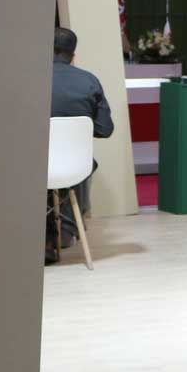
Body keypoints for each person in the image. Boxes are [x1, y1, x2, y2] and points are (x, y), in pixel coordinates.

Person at [47, 27, 115, 265]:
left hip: (36, 169)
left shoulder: (29, 78)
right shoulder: (89, 81)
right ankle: (68, 228)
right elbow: (105, 129)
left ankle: (45, 236)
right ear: (73, 55)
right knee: (82, 161)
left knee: (39, 163)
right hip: (74, 167)